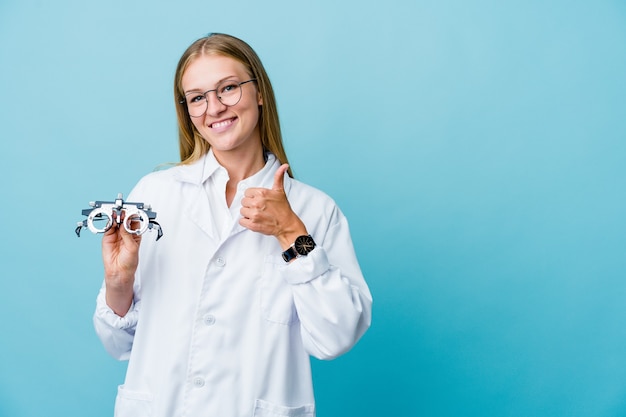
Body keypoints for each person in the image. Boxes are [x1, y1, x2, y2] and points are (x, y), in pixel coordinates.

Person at [93, 32, 372, 417]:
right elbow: (117, 344)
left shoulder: (314, 209)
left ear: (259, 93)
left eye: (228, 88)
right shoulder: (155, 195)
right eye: (197, 98)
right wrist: (118, 284)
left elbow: (335, 337)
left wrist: (291, 233)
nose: (214, 108)